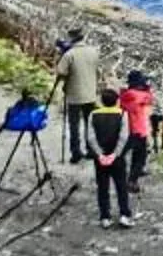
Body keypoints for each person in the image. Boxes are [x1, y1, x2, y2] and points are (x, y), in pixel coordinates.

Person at [52, 29, 102, 165]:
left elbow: (61, 72)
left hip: (74, 95)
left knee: (74, 124)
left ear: (72, 39)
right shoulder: (93, 52)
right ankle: (91, 150)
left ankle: (76, 152)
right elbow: (98, 71)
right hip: (90, 94)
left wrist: (60, 57)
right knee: (89, 124)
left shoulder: (69, 54)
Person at [85, 93, 134, 228]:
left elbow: (90, 137)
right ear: (117, 101)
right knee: (121, 186)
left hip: (100, 157)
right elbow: (124, 136)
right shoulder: (122, 114)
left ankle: (105, 216)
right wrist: (115, 154)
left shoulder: (93, 114)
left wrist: (99, 154)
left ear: (102, 101)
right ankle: (124, 214)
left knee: (102, 186)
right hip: (117, 158)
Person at [118, 69, 156, 191]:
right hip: (139, 130)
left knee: (131, 152)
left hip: (131, 129)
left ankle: (114, 167)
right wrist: (148, 87)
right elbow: (150, 99)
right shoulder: (137, 95)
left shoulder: (127, 95)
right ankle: (132, 181)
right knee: (140, 157)